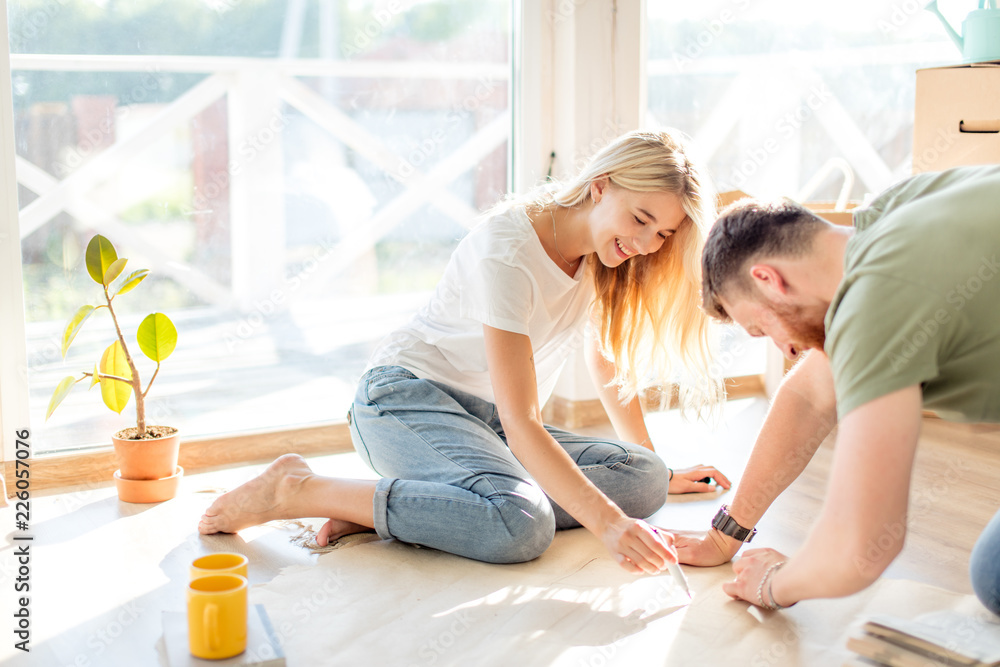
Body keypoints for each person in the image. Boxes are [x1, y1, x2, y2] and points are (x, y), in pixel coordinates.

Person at [200, 130, 732, 574]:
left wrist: (657, 470)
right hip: (404, 403)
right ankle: (298, 488)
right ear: (599, 186)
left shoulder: (600, 256)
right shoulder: (508, 249)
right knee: (521, 527)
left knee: (639, 480)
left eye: (662, 233)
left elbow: (604, 360)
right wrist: (609, 526)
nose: (647, 244)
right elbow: (524, 423)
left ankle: (412, 509)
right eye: (640, 219)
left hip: (491, 427)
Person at [675, 164, 1000, 612]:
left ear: (767, 278)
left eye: (761, 328)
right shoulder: (892, 211)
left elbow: (863, 550)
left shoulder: (874, 310)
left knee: (995, 577)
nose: (787, 350)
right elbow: (808, 396)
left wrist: (773, 583)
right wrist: (724, 535)